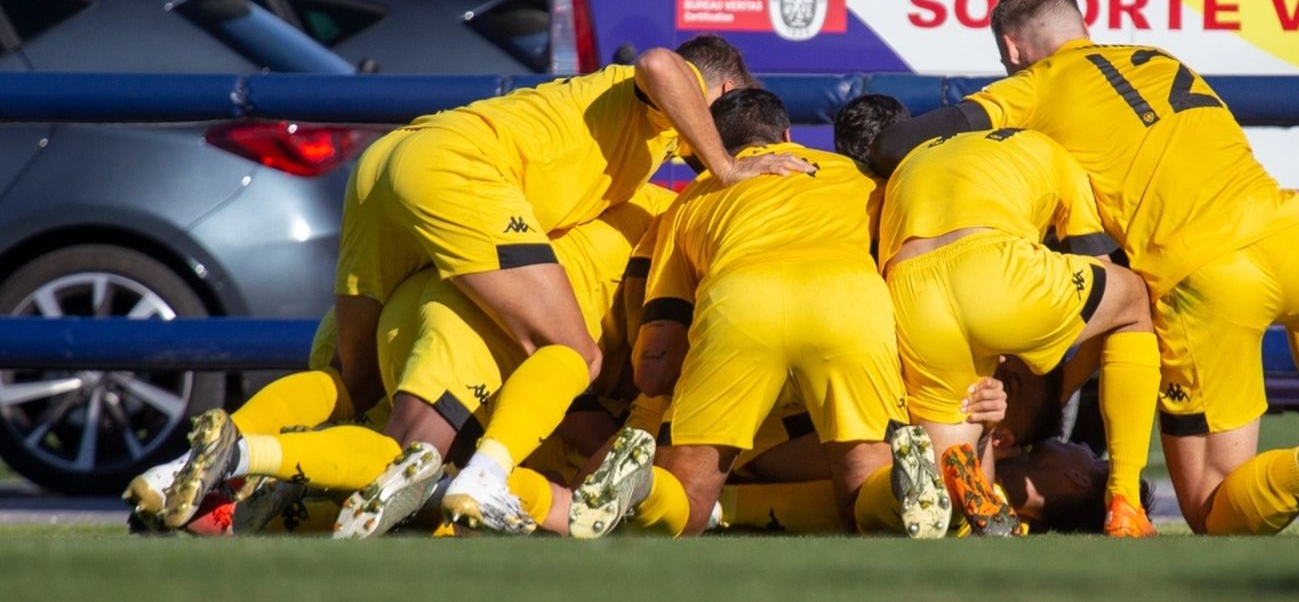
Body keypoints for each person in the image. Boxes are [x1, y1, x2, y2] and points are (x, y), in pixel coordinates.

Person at [158, 35, 810, 529]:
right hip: (458, 172)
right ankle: (487, 476)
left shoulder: (633, 147)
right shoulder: (660, 102)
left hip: (391, 161)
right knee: (571, 353)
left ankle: (200, 462)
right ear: (722, 90)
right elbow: (661, 64)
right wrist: (727, 169)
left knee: (354, 385)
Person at [871, 0, 1299, 538]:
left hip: (1207, 275)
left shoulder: (1032, 87)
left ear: (1013, 51)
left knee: (1211, 508)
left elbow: (896, 144)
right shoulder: (1159, 58)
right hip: (1296, 232)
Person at [565, 88, 949, 540]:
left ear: (713, 148)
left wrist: (660, 404)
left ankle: (645, 490)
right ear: (787, 135)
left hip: (740, 303)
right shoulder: (858, 176)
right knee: (864, 495)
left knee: (685, 502)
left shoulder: (688, 202)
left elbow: (658, 360)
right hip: (849, 302)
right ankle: (898, 490)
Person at [877, 124, 1161, 537]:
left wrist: (996, 426)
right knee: (1133, 298)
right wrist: (1060, 388)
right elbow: (1105, 280)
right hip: (984, 270)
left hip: (912, 285)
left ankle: (965, 500)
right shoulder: (1066, 163)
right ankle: (1124, 498)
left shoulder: (935, 147)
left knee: (939, 485)